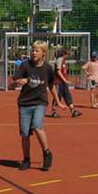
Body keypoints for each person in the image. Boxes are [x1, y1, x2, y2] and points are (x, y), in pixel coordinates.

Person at [13, 41, 66, 171]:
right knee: (25, 133)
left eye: (37, 50)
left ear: (43, 53)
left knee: (37, 126)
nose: (34, 52)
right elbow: (14, 81)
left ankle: (47, 153)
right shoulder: (25, 65)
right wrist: (21, 81)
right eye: (33, 50)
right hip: (25, 103)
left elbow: (51, 85)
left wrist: (58, 101)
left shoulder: (47, 68)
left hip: (39, 102)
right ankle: (26, 159)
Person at [49, 47, 82, 118]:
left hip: (63, 83)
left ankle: (73, 111)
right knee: (57, 96)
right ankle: (53, 111)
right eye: (67, 54)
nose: (68, 55)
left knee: (67, 96)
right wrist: (64, 80)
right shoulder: (59, 60)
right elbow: (58, 71)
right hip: (58, 82)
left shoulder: (64, 60)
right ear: (64, 54)